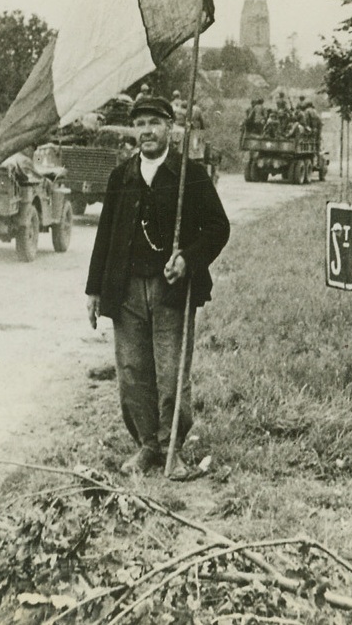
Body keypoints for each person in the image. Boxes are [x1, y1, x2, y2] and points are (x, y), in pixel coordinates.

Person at [85, 95, 230, 480]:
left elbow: (219, 227)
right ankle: (147, 445)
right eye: (141, 123)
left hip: (172, 291)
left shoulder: (190, 175)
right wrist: (94, 290)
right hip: (125, 290)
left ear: (171, 128)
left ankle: (172, 449)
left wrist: (187, 259)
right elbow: (105, 237)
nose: (146, 130)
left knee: (170, 372)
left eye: (155, 122)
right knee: (132, 370)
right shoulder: (122, 176)